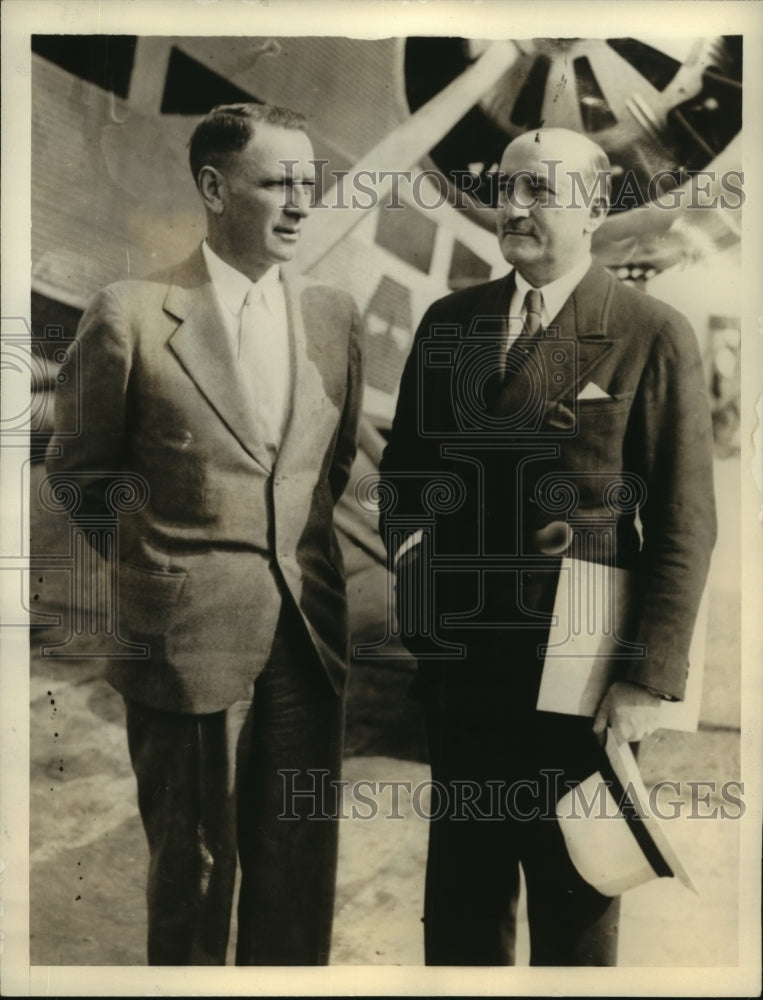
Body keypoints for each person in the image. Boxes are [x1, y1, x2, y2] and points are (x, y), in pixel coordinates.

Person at [378, 127, 716, 966]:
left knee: (573, 907)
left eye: (540, 191)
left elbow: (682, 521)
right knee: (461, 906)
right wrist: (425, 604)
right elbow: (406, 480)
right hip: (464, 672)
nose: (513, 206)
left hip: (581, 674)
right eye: (507, 187)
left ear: (595, 209)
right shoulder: (449, 321)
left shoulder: (648, 329)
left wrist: (644, 679)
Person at [46, 103, 364, 965]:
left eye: (310, 183)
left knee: (297, 868)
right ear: (215, 189)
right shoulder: (133, 314)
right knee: (193, 871)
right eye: (277, 184)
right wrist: (159, 575)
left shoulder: (334, 318)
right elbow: (78, 472)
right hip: (183, 647)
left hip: (305, 637)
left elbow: (322, 477)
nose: (301, 203)